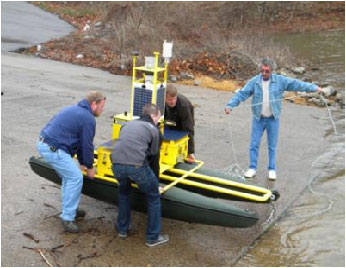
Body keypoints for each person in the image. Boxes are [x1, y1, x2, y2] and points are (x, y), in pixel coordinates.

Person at [225, 58, 322, 180]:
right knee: (254, 144)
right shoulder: (254, 82)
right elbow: (242, 94)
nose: (264, 73)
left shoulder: (280, 81)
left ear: (272, 71)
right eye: (263, 70)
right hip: (258, 119)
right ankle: (252, 168)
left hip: (273, 119)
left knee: (272, 146)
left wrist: (314, 88)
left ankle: (272, 169)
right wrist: (230, 105)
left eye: (267, 71)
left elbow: (297, 84)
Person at [36, 91, 106, 233]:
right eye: (101, 106)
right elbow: (87, 145)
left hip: (44, 142)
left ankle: (70, 209)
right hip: (54, 148)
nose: (103, 109)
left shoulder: (73, 109)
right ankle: (68, 217)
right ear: (93, 104)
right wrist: (90, 167)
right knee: (75, 177)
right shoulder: (88, 118)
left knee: (69, 177)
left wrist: (83, 162)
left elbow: (80, 142)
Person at [111, 103, 169, 247]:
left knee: (124, 193)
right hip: (136, 166)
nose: (158, 121)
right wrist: (156, 183)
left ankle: (122, 229)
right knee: (153, 197)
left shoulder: (127, 125)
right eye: (159, 118)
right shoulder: (154, 130)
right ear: (154, 115)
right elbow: (154, 159)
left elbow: (126, 145)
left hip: (116, 165)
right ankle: (152, 238)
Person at [164, 84, 196, 163]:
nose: (173, 101)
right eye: (169, 99)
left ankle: (183, 157)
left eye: (174, 98)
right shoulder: (160, 102)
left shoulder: (183, 105)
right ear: (164, 98)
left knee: (182, 137)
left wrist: (190, 152)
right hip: (169, 118)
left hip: (183, 121)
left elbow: (189, 129)